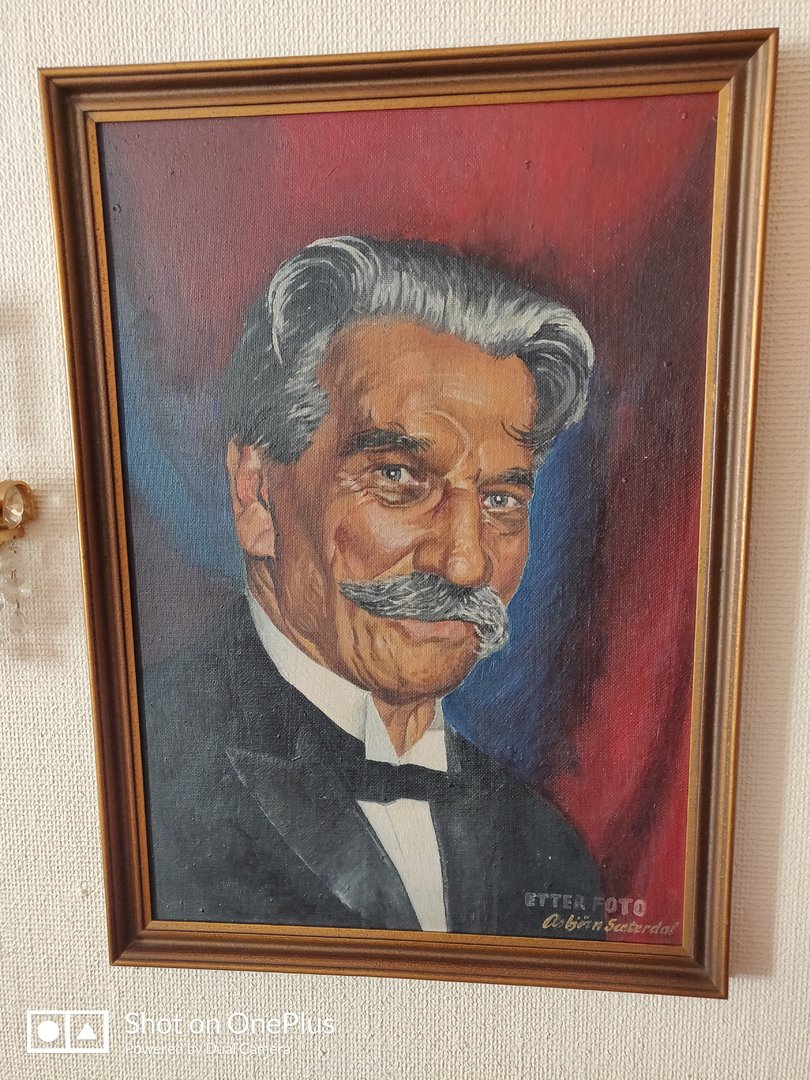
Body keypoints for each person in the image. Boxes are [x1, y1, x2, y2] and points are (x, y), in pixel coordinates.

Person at [142, 235, 603, 938]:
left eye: (501, 500)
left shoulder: (549, 853)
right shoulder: (138, 773)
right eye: (397, 478)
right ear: (257, 497)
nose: (465, 564)